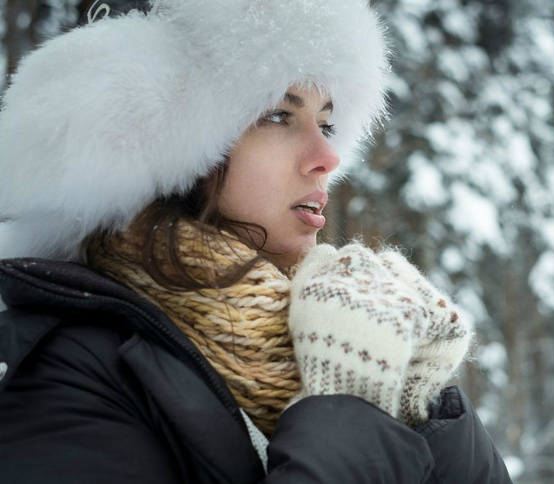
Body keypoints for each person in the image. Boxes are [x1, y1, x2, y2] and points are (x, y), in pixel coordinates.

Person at [0, 0, 513, 482]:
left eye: (328, 123)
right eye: (277, 115)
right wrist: (355, 406)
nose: (328, 156)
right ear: (168, 144)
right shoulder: (74, 374)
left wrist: (422, 394)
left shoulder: (339, 324)